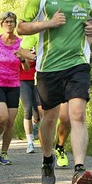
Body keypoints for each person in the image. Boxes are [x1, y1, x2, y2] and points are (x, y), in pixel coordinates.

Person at [17, 0, 92, 184]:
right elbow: (22, 27)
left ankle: (79, 168)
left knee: (77, 114)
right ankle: (46, 159)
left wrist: (90, 33)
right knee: (49, 119)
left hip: (78, 63)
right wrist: (48, 24)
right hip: (48, 66)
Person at [18, 34, 72, 168]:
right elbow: (22, 50)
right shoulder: (38, 29)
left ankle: (59, 147)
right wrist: (37, 58)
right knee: (46, 120)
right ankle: (47, 156)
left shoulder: (70, 25)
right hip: (45, 79)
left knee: (66, 118)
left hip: (67, 77)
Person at [0, 11, 29, 165]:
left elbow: (27, 67)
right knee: (3, 117)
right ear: (1, 24)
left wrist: (22, 58)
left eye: (11, 22)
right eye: (6, 22)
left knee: (10, 122)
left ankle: (4, 153)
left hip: (14, 84)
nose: (9, 24)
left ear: (15, 24)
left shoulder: (21, 43)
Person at [18, 34, 39, 154]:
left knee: (38, 114)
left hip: (37, 78)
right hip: (23, 79)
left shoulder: (39, 40)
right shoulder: (20, 45)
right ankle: (30, 142)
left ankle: (35, 125)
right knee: (27, 110)